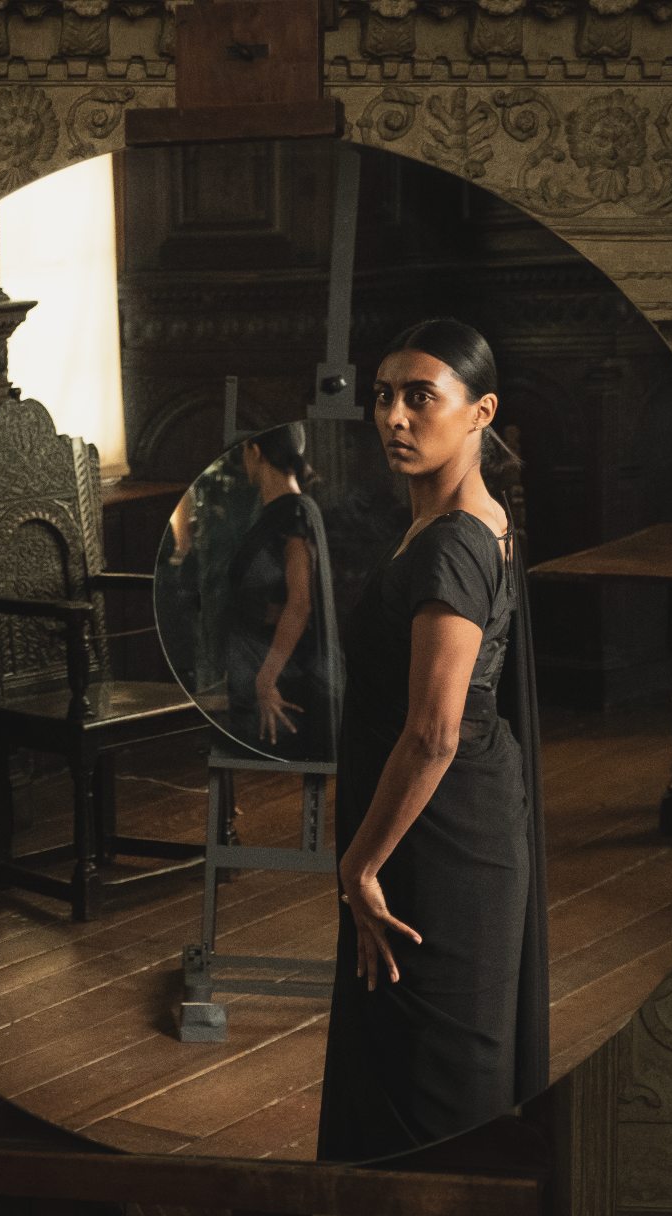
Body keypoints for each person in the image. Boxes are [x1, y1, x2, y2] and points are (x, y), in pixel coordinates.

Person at [315, 318, 549, 1164]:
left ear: (480, 412)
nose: (395, 418)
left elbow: (434, 733)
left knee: (434, 1074)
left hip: (439, 834)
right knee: (415, 1056)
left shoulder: (453, 542)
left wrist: (359, 865)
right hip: (444, 821)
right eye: (384, 397)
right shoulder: (460, 522)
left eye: (423, 397)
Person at [217, 422, 340, 761]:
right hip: (255, 661)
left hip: (277, 671)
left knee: (277, 767)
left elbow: (299, 604)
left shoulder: (295, 512)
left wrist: (266, 679)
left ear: (253, 451)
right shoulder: (272, 513)